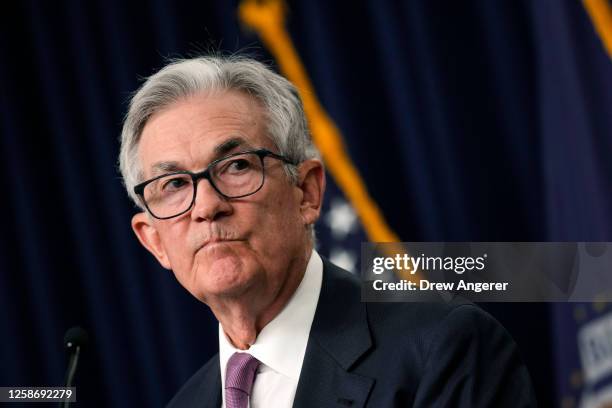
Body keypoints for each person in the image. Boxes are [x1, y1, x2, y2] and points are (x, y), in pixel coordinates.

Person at [119, 55, 536, 407]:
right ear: (153, 240)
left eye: (237, 166)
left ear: (307, 191)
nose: (208, 206)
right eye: (173, 185)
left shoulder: (443, 348)